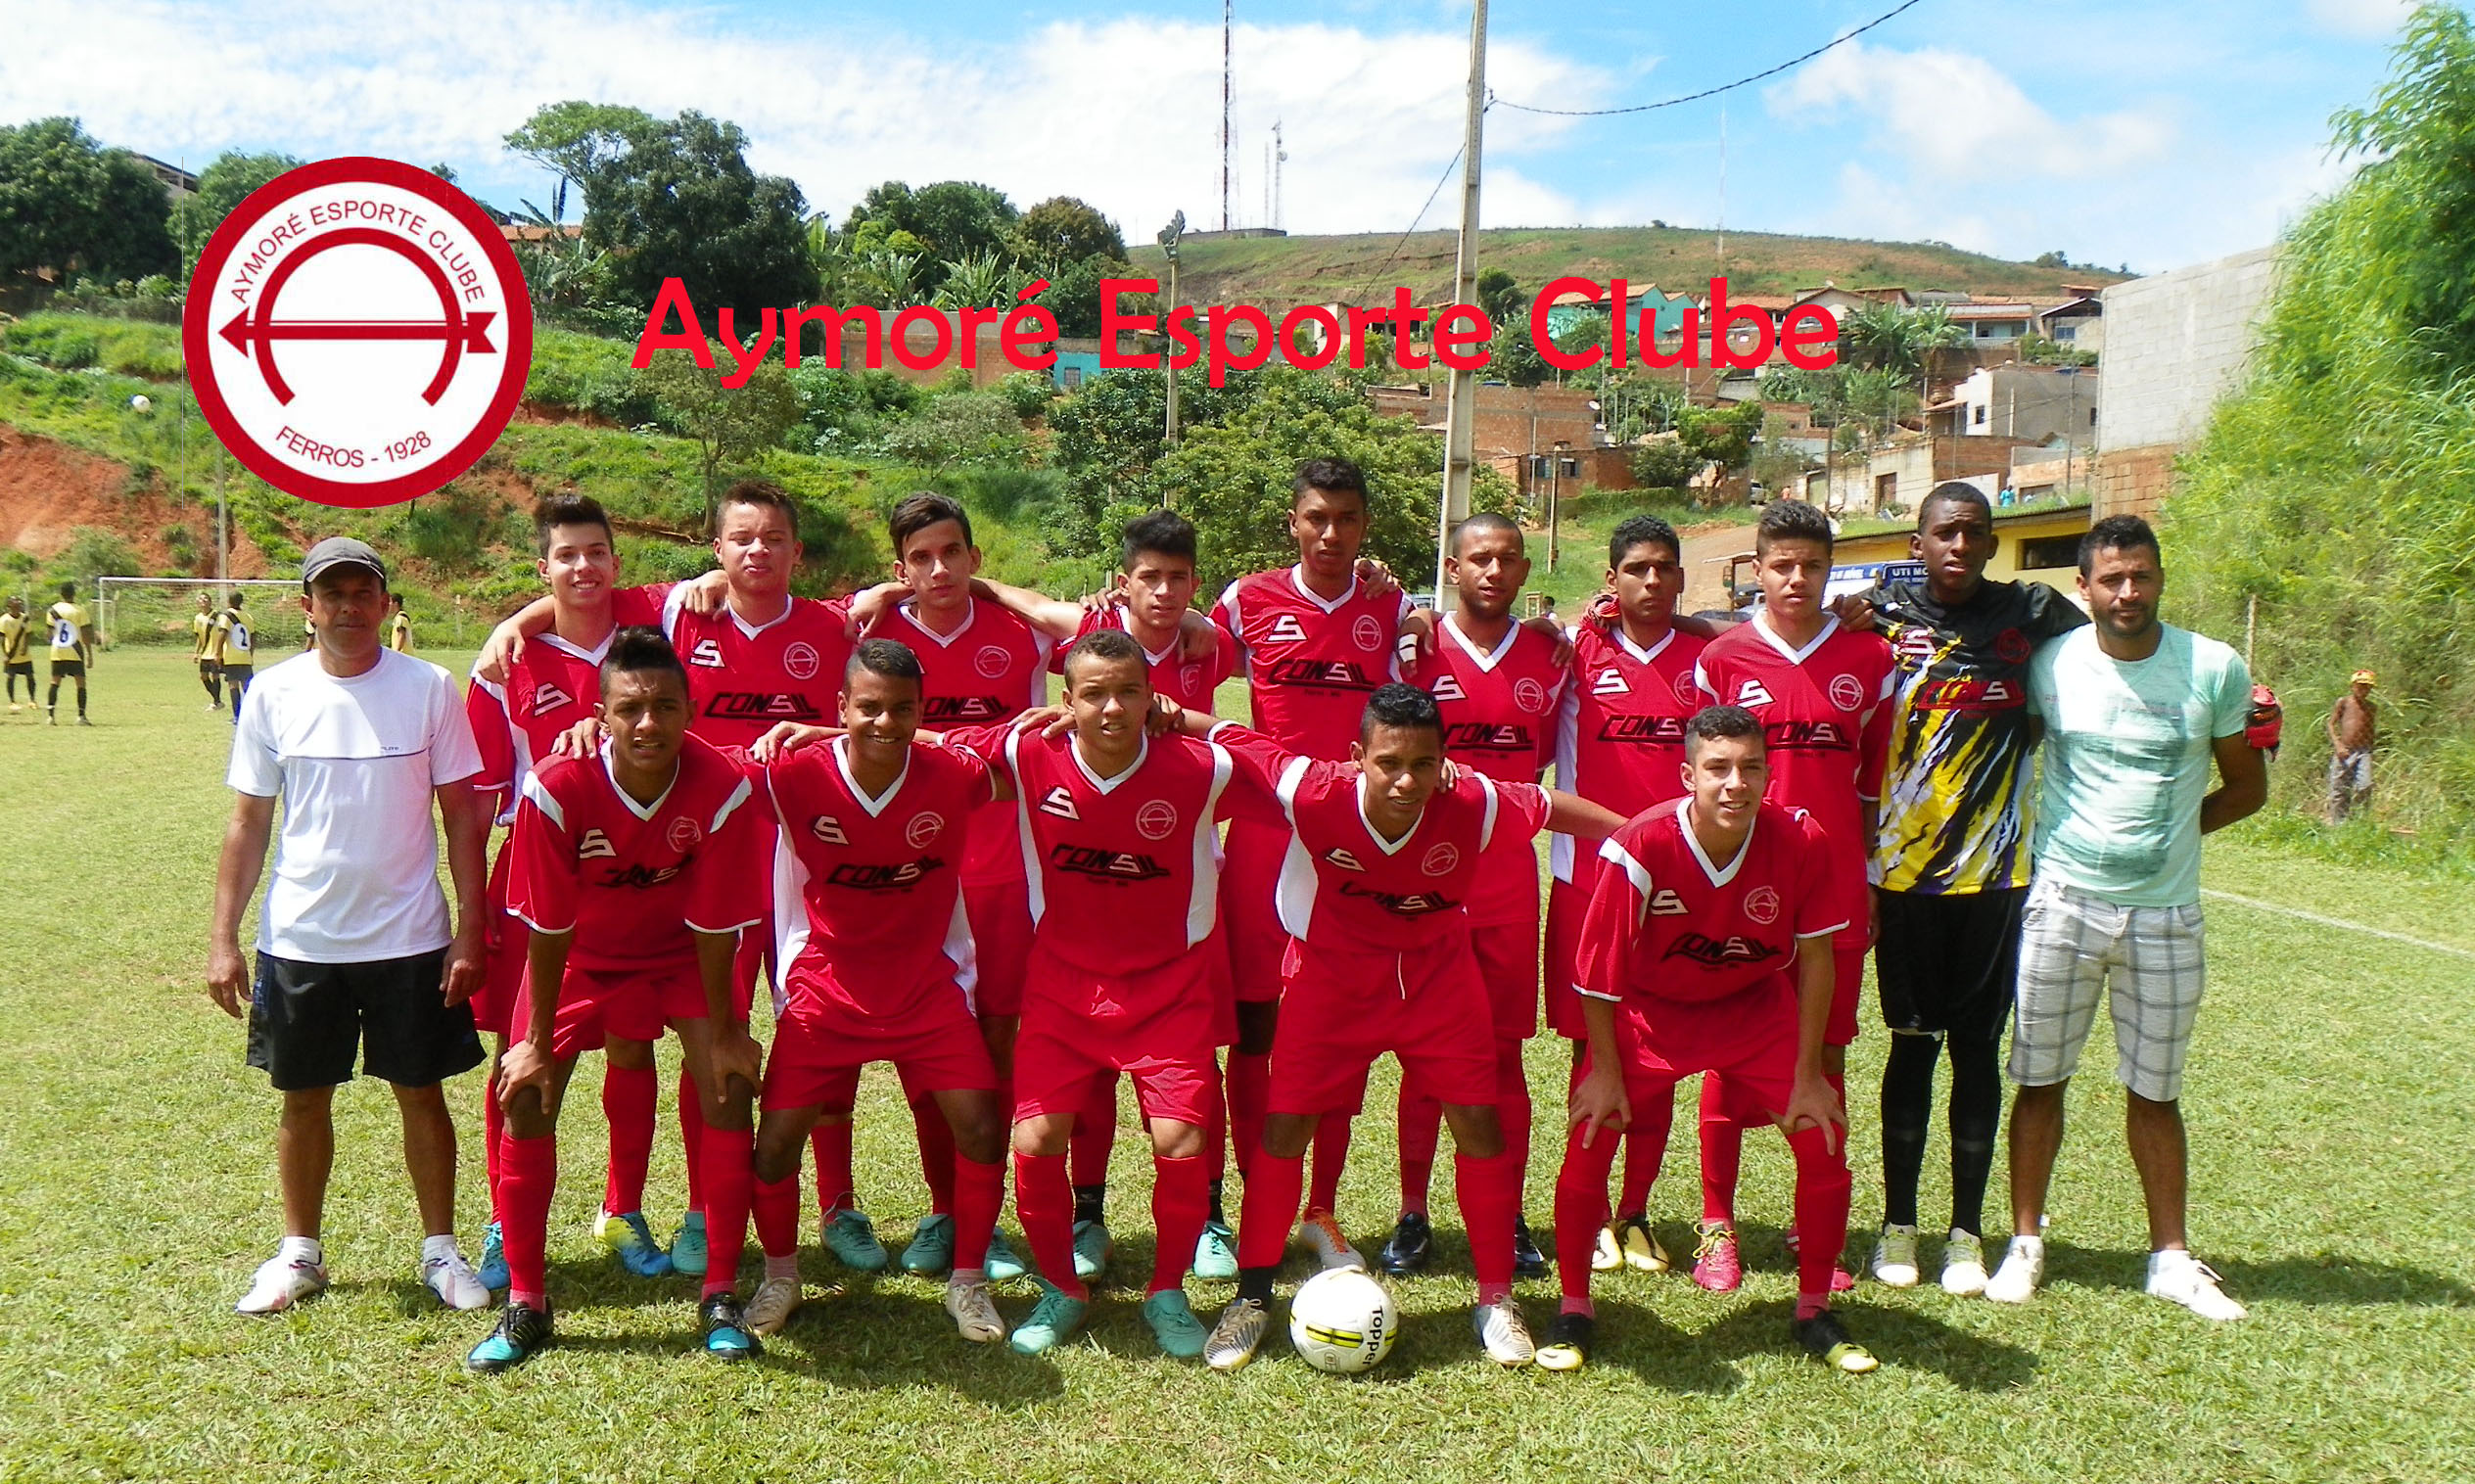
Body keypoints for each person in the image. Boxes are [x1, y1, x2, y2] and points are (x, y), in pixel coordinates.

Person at [1182, 684, 1624, 1371]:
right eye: (1388, 762)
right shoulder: (1312, 789)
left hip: (1438, 984)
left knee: (1479, 1126)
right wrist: (1159, 712)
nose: (1406, 781)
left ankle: (1495, 1298)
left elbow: (1552, 808)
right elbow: (1230, 735)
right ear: (1357, 756)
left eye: (1423, 764)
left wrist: (1643, 834)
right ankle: (1253, 1296)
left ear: (1444, 760)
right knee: (1283, 1131)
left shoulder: (1473, 801)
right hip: (1333, 984)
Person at [482, 480, 856, 1277]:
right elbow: (579, 592)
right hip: (598, 875)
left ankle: (749, 1212)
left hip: (753, 859)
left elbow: (878, 696)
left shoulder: (818, 622)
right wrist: (513, 621)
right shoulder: (654, 619)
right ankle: (547, 1226)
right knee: (549, 1055)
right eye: (741, 538)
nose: (757, 551)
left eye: (773, 537)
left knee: (757, 1036)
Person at [894, 508, 1236, 1281]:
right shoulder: (887, 632)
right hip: (979, 873)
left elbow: (1262, 739)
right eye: (1149, 577)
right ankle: (982, 1212)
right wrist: (969, 585)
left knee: (1173, 1064)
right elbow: (928, 723)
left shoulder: (1204, 641)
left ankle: (1188, 1213)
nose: (1164, 591)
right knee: (972, 1049)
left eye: (1178, 579)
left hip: (1145, 887)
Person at [1538, 706, 1873, 1375]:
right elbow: (1597, 974)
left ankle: (1814, 1308)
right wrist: (1605, 1071)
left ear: (1769, 776)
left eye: (1751, 768)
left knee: (1823, 1135)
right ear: (1688, 775)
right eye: (1718, 768)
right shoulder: (1640, 844)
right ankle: (1574, 1308)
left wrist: (1809, 1073)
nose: (1735, 783)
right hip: (1653, 1014)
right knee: (1590, 1133)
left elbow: (1816, 960)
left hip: (1754, 1010)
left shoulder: (1801, 838)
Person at [205, 537, 492, 1316]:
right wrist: (223, 938)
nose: (349, 607)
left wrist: (471, 928)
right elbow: (248, 823)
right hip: (303, 939)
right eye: (332, 594)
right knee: (303, 1098)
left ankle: (441, 1251)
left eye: (363, 593)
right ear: (307, 608)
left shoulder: (429, 687)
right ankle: (300, 1253)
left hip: (411, 937)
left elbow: (462, 815)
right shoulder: (273, 693)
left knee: (421, 1092)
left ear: (386, 603)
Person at [1987, 515, 2266, 1320]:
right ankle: (2024, 1244)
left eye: (2141, 575)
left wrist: (2171, 839)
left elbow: (2247, 788)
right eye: (2111, 578)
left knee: (2156, 1089)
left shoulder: (2213, 667)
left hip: (2166, 915)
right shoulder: (2051, 664)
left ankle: (2170, 1258)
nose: (2128, 592)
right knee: (2039, 1079)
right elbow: (2014, 757)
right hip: (2063, 905)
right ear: (2084, 587)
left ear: (2161, 579)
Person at [468, 628, 767, 1370]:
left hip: (678, 956)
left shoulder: (722, 784)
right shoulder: (557, 785)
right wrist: (535, 1041)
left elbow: (714, 924)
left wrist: (727, 1031)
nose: (647, 724)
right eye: (629, 708)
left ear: (690, 710)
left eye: (664, 707)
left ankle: (720, 1292)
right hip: (581, 959)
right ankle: (527, 1301)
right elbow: (548, 924)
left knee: (728, 1085)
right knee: (525, 1092)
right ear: (601, 715)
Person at [948, 628, 1243, 1356]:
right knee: (1035, 1138)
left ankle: (1167, 1290)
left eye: (1128, 692)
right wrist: (825, 733)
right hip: (1064, 986)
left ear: (1151, 697)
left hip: (1169, 988)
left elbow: (1288, 766)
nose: (1112, 708)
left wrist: (1194, 719)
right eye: (1094, 694)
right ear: (1066, 701)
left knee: (1181, 1138)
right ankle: (1062, 1287)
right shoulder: (1029, 752)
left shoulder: (1198, 767)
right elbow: (916, 746)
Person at [725, 640, 1014, 1345]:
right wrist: (589, 732)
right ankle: (781, 1276)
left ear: (922, 711)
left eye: (902, 709)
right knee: (776, 1143)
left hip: (927, 984)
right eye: (869, 708)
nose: (886, 723)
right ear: (841, 708)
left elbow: (1035, 748)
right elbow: (692, 765)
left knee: (980, 1126)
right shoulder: (792, 775)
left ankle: (969, 1283)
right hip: (828, 984)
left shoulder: (953, 773)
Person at [1208, 458, 1430, 1271]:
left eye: (1346, 518)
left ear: (1365, 525)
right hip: (1263, 838)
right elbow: (1173, 651)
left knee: (1336, 1031)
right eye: (1316, 518)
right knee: (1255, 1029)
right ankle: (1248, 1197)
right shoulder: (1246, 600)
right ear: (1293, 523)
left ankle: (1321, 1208)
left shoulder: (1390, 606)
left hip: (1352, 847)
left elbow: (1434, 666)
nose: (1331, 534)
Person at [1864, 483, 2085, 1296]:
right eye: (1945, 533)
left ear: (1991, 544)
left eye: (1974, 534)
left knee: (1977, 1052)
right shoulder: (1881, 616)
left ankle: (1965, 1232)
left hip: (1997, 878)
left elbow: (2115, 645)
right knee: (1910, 1046)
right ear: (1917, 543)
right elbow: (1762, 624)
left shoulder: (2032, 612)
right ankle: (1898, 1226)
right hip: (1904, 878)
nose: (1959, 547)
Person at [463, 495, 686, 1290]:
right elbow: (479, 801)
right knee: (523, 1057)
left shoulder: (654, 625)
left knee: (633, 1043)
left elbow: (724, 578)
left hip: (639, 882)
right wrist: (470, 913)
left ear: (616, 563)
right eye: (567, 555)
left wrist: (514, 616)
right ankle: (504, 1219)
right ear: (543, 567)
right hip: (537, 884)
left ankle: (623, 1208)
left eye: (596, 552)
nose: (583, 567)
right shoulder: (504, 666)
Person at [1691, 500, 1891, 1294]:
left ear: (1831, 570)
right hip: (1743, 893)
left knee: (1827, 1055)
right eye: (1782, 565)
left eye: (1812, 565)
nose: (1797, 579)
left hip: (1833, 891)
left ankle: (1819, 1227)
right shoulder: (1723, 658)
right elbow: (1704, 781)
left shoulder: (1870, 656)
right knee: (1725, 1052)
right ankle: (1717, 1225)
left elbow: (1872, 783)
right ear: (1758, 569)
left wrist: (1869, 877)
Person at [854, 491, 1050, 1282]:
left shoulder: (1021, 633)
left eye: (952, 553)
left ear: (974, 556)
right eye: (920, 558)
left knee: (997, 1044)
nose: (938, 570)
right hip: (916, 874)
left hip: (1003, 870)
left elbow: (1108, 627)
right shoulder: (873, 638)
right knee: (926, 1047)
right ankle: (945, 1208)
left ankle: (987, 1217)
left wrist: (1002, 591)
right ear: (901, 570)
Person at [1380, 514, 1567, 1280]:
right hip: (1427, 882)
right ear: (1452, 568)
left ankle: (1509, 1212)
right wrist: (1411, 615)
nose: (1493, 571)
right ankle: (1413, 1213)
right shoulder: (1416, 651)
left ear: (1525, 570)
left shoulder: (1551, 655)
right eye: (1479, 558)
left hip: (1507, 888)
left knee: (1503, 1056)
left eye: (1507, 559)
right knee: (1424, 1056)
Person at [1544, 515, 1707, 1276]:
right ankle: (1588, 1204)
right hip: (1589, 881)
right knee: (1593, 1045)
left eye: (1664, 568)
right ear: (1610, 580)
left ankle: (1634, 1210)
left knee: (1660, 1047)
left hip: (1677, 883)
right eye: (1636, 568)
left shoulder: (1706, 657)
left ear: (1680, 578)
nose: (1651, 580)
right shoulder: (1573, 651)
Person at [2326, 670, 2376, 821]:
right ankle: (2338, 824)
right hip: (2345, 750)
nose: (2363, 689)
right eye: (2360, 686)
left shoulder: (2372, 707)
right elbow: (2331, 724)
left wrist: (2370, 750)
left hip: (2363, 751)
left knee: (2365, 785)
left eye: (2367, 687)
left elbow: (2370, 729)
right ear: (2352, 686)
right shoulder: (2344, 702)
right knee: (2339, 788)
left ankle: (2359, 819)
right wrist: (2338, 745)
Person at [45, 580, 95, 726]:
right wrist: (89, 654)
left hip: (58, 651)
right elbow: (85, 634)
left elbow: (49, 634)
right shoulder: (80, 610)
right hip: (75, 651)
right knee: (80, 683)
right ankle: (81, 716)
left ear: (61, 594)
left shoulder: (52, 610)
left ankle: (51, 717)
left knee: (55, 682)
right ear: (74, 594)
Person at [215, 593, 256, 726]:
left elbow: (223, 633)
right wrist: (250, 654)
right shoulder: (248, 617)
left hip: (231, 656)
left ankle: (237, 716)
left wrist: (218, 653)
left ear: (228, 601)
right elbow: (253, 637)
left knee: (233, 685)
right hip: (245, 657)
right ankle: (253, 715)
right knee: (247, 687)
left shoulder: (225, 615)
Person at [2, 596, 34, 714]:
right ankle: (12, 701)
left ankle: (32, 700)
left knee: (30, 676)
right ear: (9, 606)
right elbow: (2, 638)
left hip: (24, 654)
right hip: (11, 653)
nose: (18, 607)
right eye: (15, 605)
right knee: (11, 677)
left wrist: (25, 646)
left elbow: (28, 634)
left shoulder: (25, 618)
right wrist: (5, 654)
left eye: (19, 605)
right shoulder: (4, 620)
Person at [195, 591, 225, 712]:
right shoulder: (197, 618)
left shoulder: (218, 616)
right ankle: (217, 700)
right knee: (203, 677)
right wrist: (196, 652)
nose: (203, 601)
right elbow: (199, 636)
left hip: (216, 652)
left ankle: (216, 702)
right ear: (197, 603)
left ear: (210, 601)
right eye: (201, 599)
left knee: (215, 675)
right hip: (205, 653)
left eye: (206, 598)